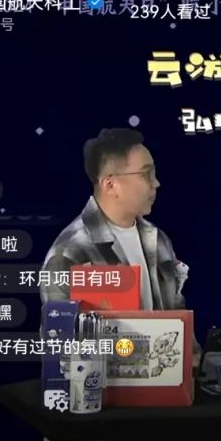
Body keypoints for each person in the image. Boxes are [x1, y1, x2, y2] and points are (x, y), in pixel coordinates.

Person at [39, 128, 201, 365]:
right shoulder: (70, 253)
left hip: (166, 379)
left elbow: (177, 312)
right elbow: (61, 348)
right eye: (146, 174)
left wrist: (193, 360)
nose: (156, 183)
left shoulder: (158, 240)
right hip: (107, 383)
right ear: (110, 184)